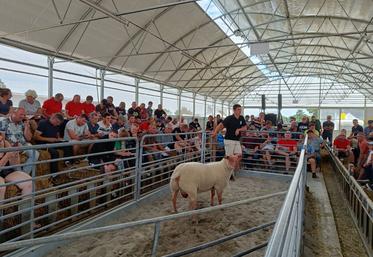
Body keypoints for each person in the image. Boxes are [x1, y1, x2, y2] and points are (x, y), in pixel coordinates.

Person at [0, 108, 40, 174]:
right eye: (21, 114)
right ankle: (20, 174)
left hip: (24, 144)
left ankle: (24, 173)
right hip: (12, 146)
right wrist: (12, 146)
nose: (23, 116)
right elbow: (2, 139)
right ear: (14, 114)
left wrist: (27, 126)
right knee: (15, 157)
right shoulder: (4, 122)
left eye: (24, 115)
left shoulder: (22, 122)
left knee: (35, 154)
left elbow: (29, 138)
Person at [212, 104, 247, 169]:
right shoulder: (229, 118)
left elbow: (245, 127)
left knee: (239, 156)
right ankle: (226, 170)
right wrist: (215, 132)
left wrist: (239, 129)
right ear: (234, 110)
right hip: (229, 140)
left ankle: (231, 169)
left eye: (240, 109)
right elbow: (220, 125)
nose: (240, 111)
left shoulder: (241, 118)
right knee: (229, 157)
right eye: (238, 109)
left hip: (237, 140)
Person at [0, 133, 32, 202]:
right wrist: (7, 156)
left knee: (29, 182)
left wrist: (15, 155)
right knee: (1, 187)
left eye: (1, 140)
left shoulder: (6, 143)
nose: (1, 142)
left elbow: (15, 165)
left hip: (7, 171)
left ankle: (24, 210)